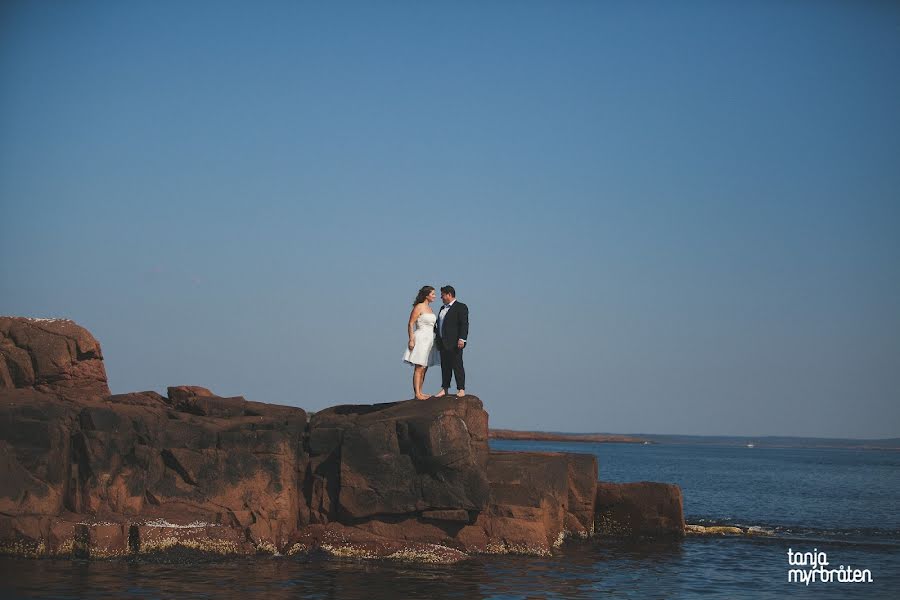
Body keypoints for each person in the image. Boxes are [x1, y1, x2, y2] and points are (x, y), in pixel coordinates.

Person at [402, 285, 439, 400]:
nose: (435, 296)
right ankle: (417, 393)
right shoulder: (419, 307)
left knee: (425, 367)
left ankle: (421, 391)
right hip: (421, 338)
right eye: (433, 294)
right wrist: (411, 339)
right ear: (427, 295)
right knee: (419, 366)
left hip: (430, 339)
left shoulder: (430, 309)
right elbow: (410, 323)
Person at [433, 285, 468, 398]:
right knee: (445, 366)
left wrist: (462, 339)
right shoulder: (442, 308)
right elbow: (439, 325)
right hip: (443, 342)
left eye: (442, 295)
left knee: (457, 365)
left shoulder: (461, 307)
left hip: (455, 342)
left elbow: (464, 324)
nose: (441, 297)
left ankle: (461, 389)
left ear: (449, 294)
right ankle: (445, 388)